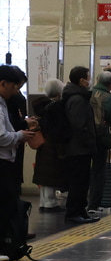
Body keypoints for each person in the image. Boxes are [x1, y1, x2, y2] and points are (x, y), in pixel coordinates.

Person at [0, 65, 38, 259]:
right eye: (14, 87)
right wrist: (19, 134)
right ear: (3, 84)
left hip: (7, 158)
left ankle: (7, 242)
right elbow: (1, 136)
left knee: (6, 202)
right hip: (2, 160)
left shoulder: (4, 103)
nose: (16, 92)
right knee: (4, 204)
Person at [59, 66, 99, 225]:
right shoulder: (77, 99)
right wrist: (89, 143)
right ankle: (73, 212)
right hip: (78, 149)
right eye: (88, 78)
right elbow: (79, 125)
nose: (90, 81)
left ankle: (81, 211)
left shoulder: (78, 97)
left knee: (83, 182)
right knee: (78, 182)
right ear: (82, 80)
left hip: (80, 148)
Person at [87, 70, 111, 215]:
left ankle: (78, 203)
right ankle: (93, 205)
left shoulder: (86, 94)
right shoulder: (110, 99)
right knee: (98, 171)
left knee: (83, 171)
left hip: (83, 137)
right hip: (101, 139)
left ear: (97, 79)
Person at [32, 78, 65, 212]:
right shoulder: (56, 107)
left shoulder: (40, 107)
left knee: (44, 175)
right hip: (52, 144)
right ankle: (50, 203)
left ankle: (43, 202)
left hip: (42, 145)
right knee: (51, 174)